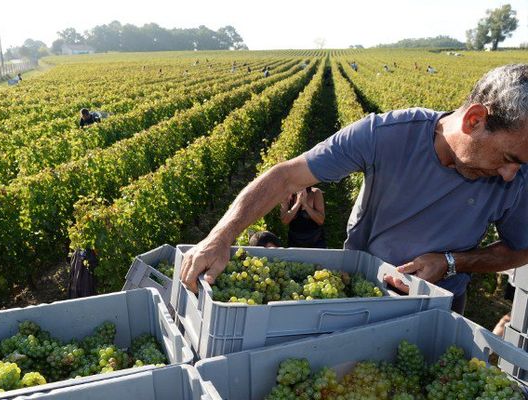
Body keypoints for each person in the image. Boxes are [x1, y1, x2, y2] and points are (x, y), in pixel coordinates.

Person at [180, 64, 528, 315]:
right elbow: (286, 177)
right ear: (474, 120)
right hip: (363, 292)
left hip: (441, 305)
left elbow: (520, 249)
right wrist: (220, 236)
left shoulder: (519, 176)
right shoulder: (385, 134)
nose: (511, 175)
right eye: (509, 158)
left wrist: (454, 263)